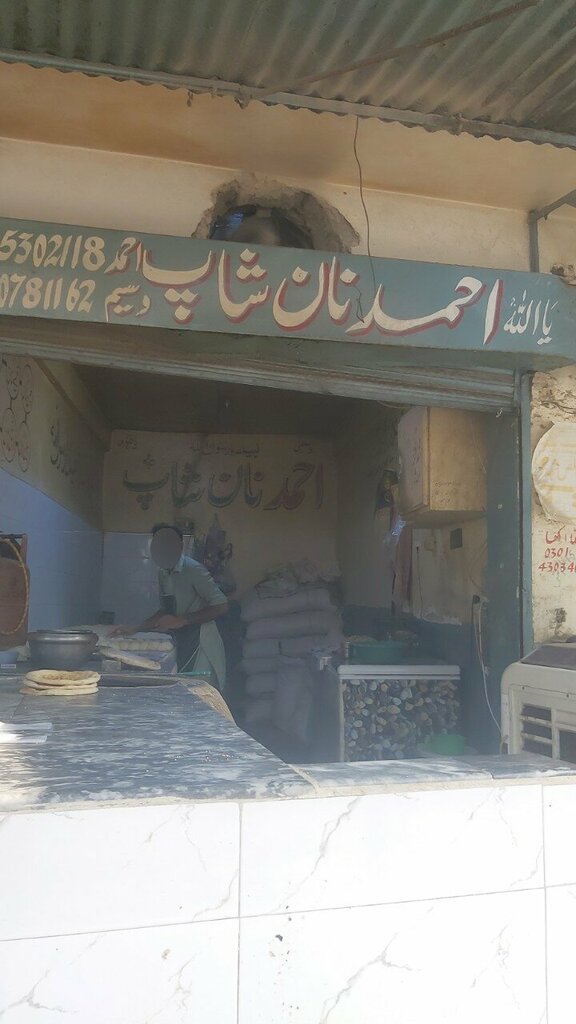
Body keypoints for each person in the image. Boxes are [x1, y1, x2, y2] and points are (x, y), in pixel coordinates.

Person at [111, 524, 228, 688]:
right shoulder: (164, 573)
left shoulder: (193, 569)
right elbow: (166, 610)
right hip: (182, 639)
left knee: (199, 695)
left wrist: (183, 620)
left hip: (202, 642)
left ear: (180, 545)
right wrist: (136, 628)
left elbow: (221, 606)